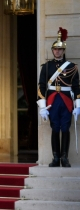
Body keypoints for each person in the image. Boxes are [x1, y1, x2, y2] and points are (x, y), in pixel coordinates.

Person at [38, 28, 80, 168]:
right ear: (52, 50)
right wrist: (42, 106)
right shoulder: (47, 67)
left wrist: (78, 105)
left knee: (66, 128)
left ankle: (65, 157)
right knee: (55, 127)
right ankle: (55, 157)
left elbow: (76, 87)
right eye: (55, 49)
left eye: (60, 49)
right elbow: (41, 86)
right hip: (52, 101)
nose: (57, 51)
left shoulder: (72, 67)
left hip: (67, 101)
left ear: (63, 51)